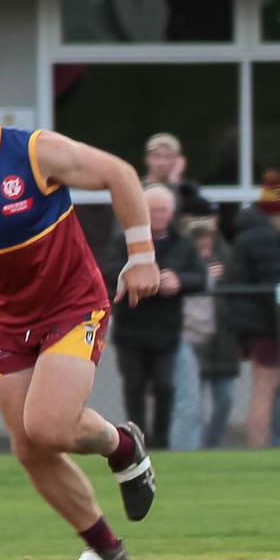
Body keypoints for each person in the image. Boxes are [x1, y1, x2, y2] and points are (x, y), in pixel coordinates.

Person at [0, 65, 159, 560]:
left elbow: (119, 173)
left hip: (74, 304)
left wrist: (140, 256)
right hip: (13, 317)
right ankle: (106, 551)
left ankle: (124, 445)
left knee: (47, 424)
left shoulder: (32, 152)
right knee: (29, 448)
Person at [100, 184, 205, 451]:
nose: (159, 215)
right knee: (134, 387)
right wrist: (147, 280)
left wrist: (179, 281)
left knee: (165, 387)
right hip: (131, 330)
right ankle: (137, 442)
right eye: (153, 210)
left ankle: (161, 444)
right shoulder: (123, 242)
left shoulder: (183, 244)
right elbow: (109, 273)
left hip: (167, 331)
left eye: (163, 210)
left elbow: (200, 277)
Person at [228, 170, 280, 448]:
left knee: (264, 387)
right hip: (265, 326)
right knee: (265, 388)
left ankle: (264, 442)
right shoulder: (267, 238)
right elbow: (277, 284)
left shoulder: (248, 236)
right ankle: (260, 445)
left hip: (250, 325)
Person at [184, 217, 240, 448]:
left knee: (225, 400)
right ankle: (192, 448)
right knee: (192, 403)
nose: (206, 253)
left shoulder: (227, 259)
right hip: (192, 337)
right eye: (201, 248)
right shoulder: (186, 266)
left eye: (209, 247)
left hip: (224, 341)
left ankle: (210, 445)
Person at [142, 131, 213, 217]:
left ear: (178, 161)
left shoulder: (187, 192)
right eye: (156, 156)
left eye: (168, 156)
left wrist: (174, 183)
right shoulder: (137, 188)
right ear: (146, 159)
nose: (162, 163)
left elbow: (203, 210)